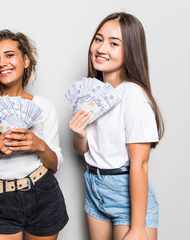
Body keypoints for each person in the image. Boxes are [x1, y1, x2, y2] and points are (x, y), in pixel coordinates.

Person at [0, 30, 68, 240]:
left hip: (43, 194)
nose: (2, 63)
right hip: (1, 198)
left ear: (25, 60)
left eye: (10, 55)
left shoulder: (43, 106)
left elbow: (54, 164)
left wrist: (40, 146)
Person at [69, 12, 164, 240]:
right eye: (99, 39)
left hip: (125, 192)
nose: (102, 49)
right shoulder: (93, 93)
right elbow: (82, 149)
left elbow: (139, 164)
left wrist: (138, 227)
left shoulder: (133, 95)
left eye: (114, 43)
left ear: (130, 50)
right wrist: (80, 134)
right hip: (94, 186)